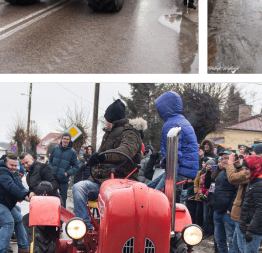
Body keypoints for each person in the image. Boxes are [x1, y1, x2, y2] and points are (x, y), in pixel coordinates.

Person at [71, 100, 143, 230]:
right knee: (79, 188)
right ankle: (85, 229)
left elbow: (126, 150)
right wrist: (95, 159)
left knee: (112, 198)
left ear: (112, 120)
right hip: (101, 182)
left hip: (123, 183)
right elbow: (100, 156)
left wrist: (103, 156)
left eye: (106, 119)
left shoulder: (131, 133)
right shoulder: (108, 134)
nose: (105, 122)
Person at [150, 91, 200, 193]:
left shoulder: (170, 124)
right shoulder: (183, 121)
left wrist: (170, 179)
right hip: (186, 170)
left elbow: (174, 155)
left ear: (164, 108)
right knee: (148, 188)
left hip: (178, 171)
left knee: (154, 196)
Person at [49, 132, 79, 208]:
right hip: (53, 178)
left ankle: (62, 216)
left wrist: (67, 173)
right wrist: (51, 169)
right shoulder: (55, 149)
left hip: (63, 180)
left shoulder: (72, 152)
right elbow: (50, 161)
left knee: (62, 201)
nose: (65, 140)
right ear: (61, 139)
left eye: (67, 139)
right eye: (64, 138)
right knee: (51, 199)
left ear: (69, 140)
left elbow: (76, 166)